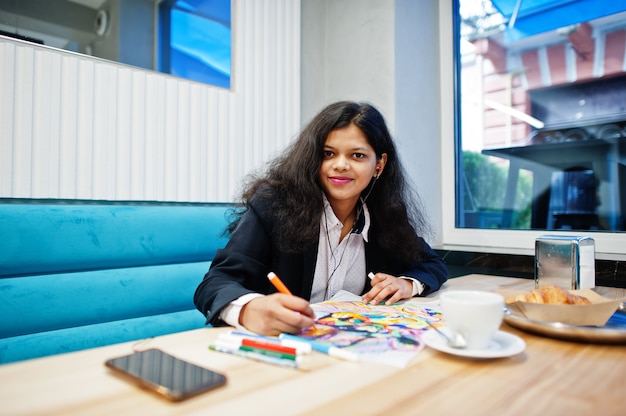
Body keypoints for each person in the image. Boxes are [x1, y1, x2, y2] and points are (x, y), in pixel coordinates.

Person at [194, 101, 448, 336]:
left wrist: (405, 284)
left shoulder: (385, 216)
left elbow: (432, 264)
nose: (340, 165)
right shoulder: (275, 204)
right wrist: (251, 309)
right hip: (281, 350)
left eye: (357, 155)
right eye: (328, 153)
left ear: (379, 164)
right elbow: (215, 283)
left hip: (349, 349)